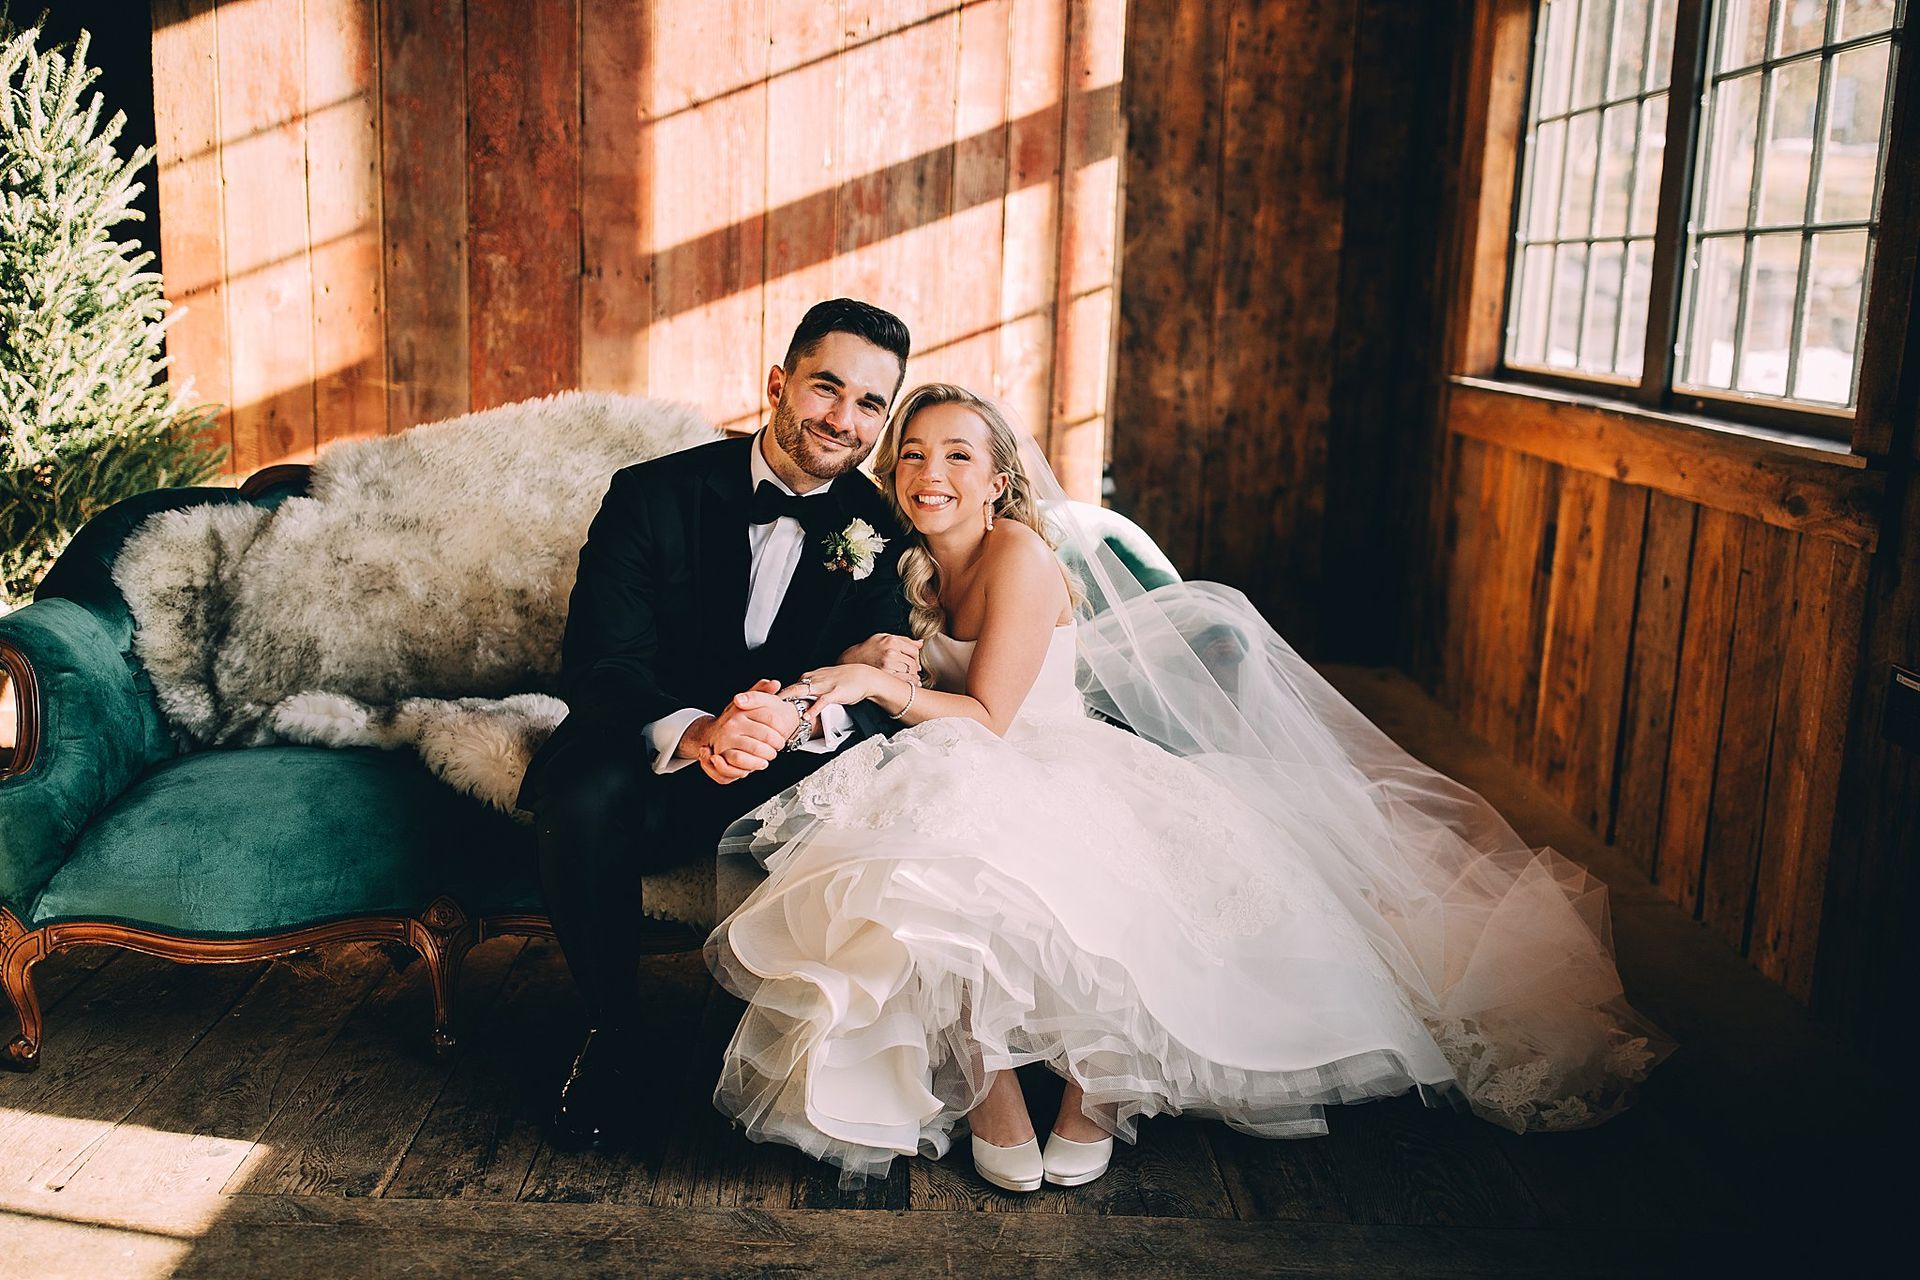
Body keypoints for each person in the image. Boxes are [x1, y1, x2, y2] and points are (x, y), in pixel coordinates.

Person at [704, 383, 1670, 1192]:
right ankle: (986, 1076)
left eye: (957, 457)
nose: (930, 475)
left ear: (1000, 478)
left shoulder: (1022, 559)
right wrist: (879, 652)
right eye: (913, 455)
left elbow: (995, 719)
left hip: (1044, 754)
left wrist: (880, 680)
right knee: (926, 851)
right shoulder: (907, 563)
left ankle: (1101, 1085)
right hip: (967, 756)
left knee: (1027, 846)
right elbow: (917, 667)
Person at [517, 299, 928, 1149]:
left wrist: (779, 717)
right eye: (826, 389)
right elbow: (601, 660)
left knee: (869, 796)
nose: (843, 421)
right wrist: (702, 730)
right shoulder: (650, 495)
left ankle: (801, 1060)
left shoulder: (880, 528)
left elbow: (873, 667)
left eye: (870, 405)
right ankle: (611, 1035)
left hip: (787, 757)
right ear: (778, 384)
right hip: (649, 746)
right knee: (582, 797)